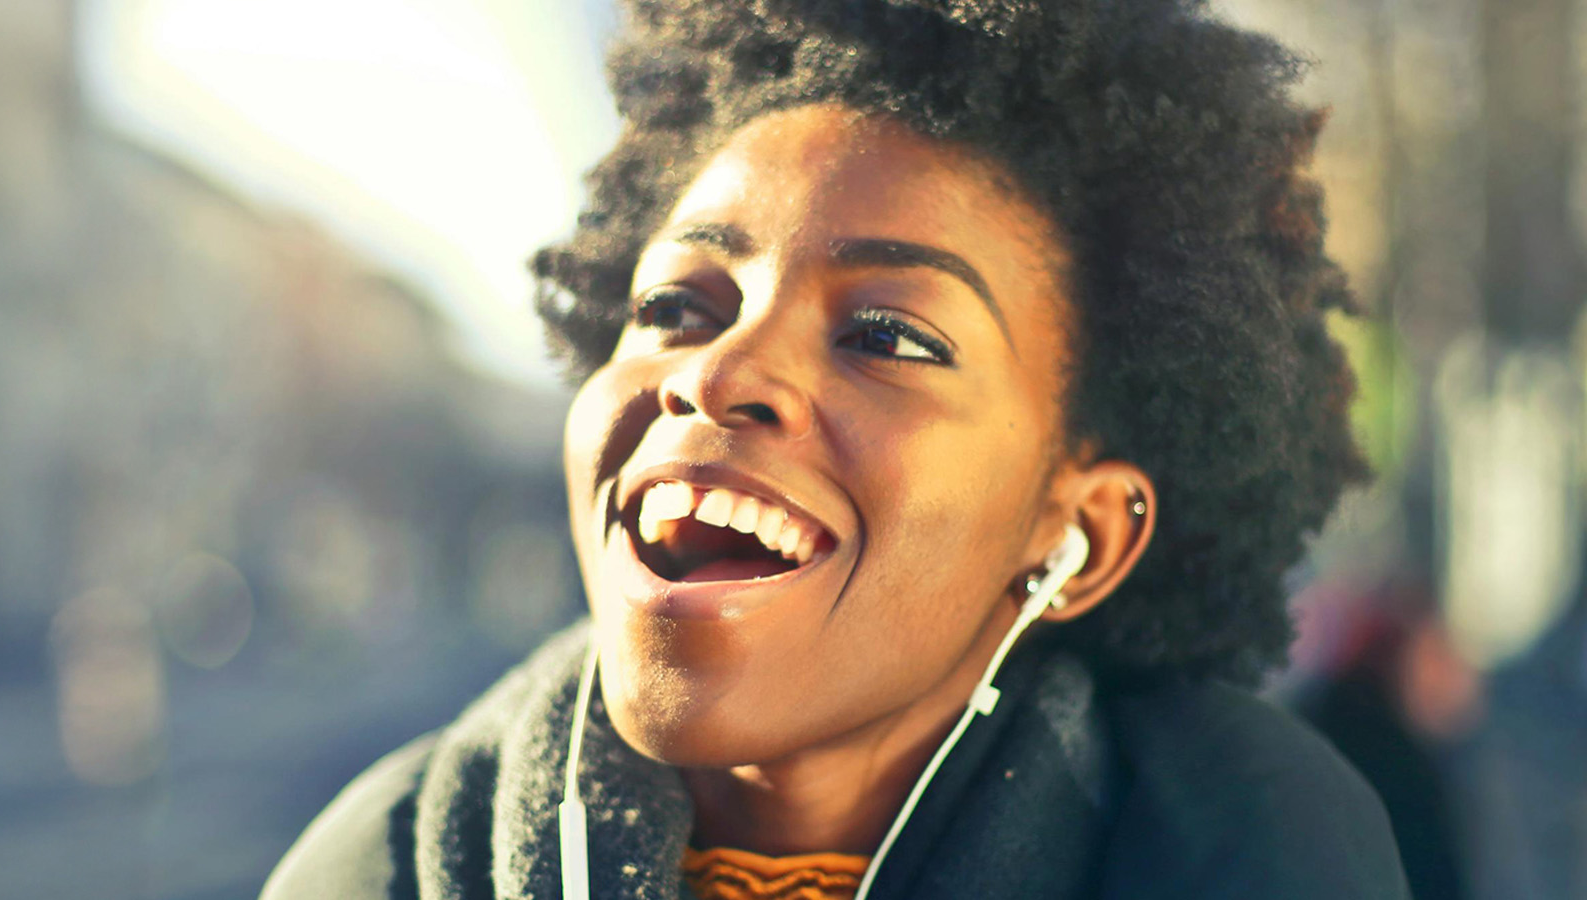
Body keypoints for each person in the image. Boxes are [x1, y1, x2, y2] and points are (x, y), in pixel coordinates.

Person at [261, 1, 1409, 897]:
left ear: (1080, 535)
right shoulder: (372, 870)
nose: (716, 374)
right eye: (675, 306)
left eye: (886, 336)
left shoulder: (1260, 854)